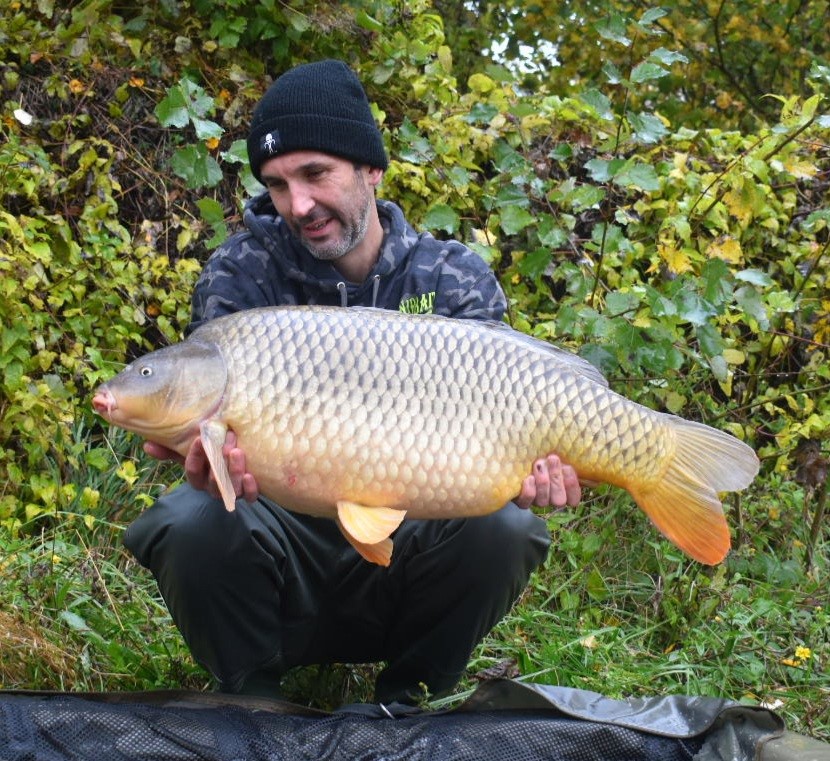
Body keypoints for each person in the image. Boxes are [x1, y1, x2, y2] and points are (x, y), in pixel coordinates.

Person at [125, 59, 582, 706]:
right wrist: (208, 463)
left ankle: (410, 696)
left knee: (505, 529)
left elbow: (507, 439)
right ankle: (253, 699)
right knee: (189, 519)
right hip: (286, 540)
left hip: (412, 540)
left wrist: (538, 474)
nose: (298, 205)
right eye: (278, 184)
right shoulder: (240, 275)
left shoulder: (450, 277)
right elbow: (213, 449)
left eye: (316, 174)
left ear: (372, 168)